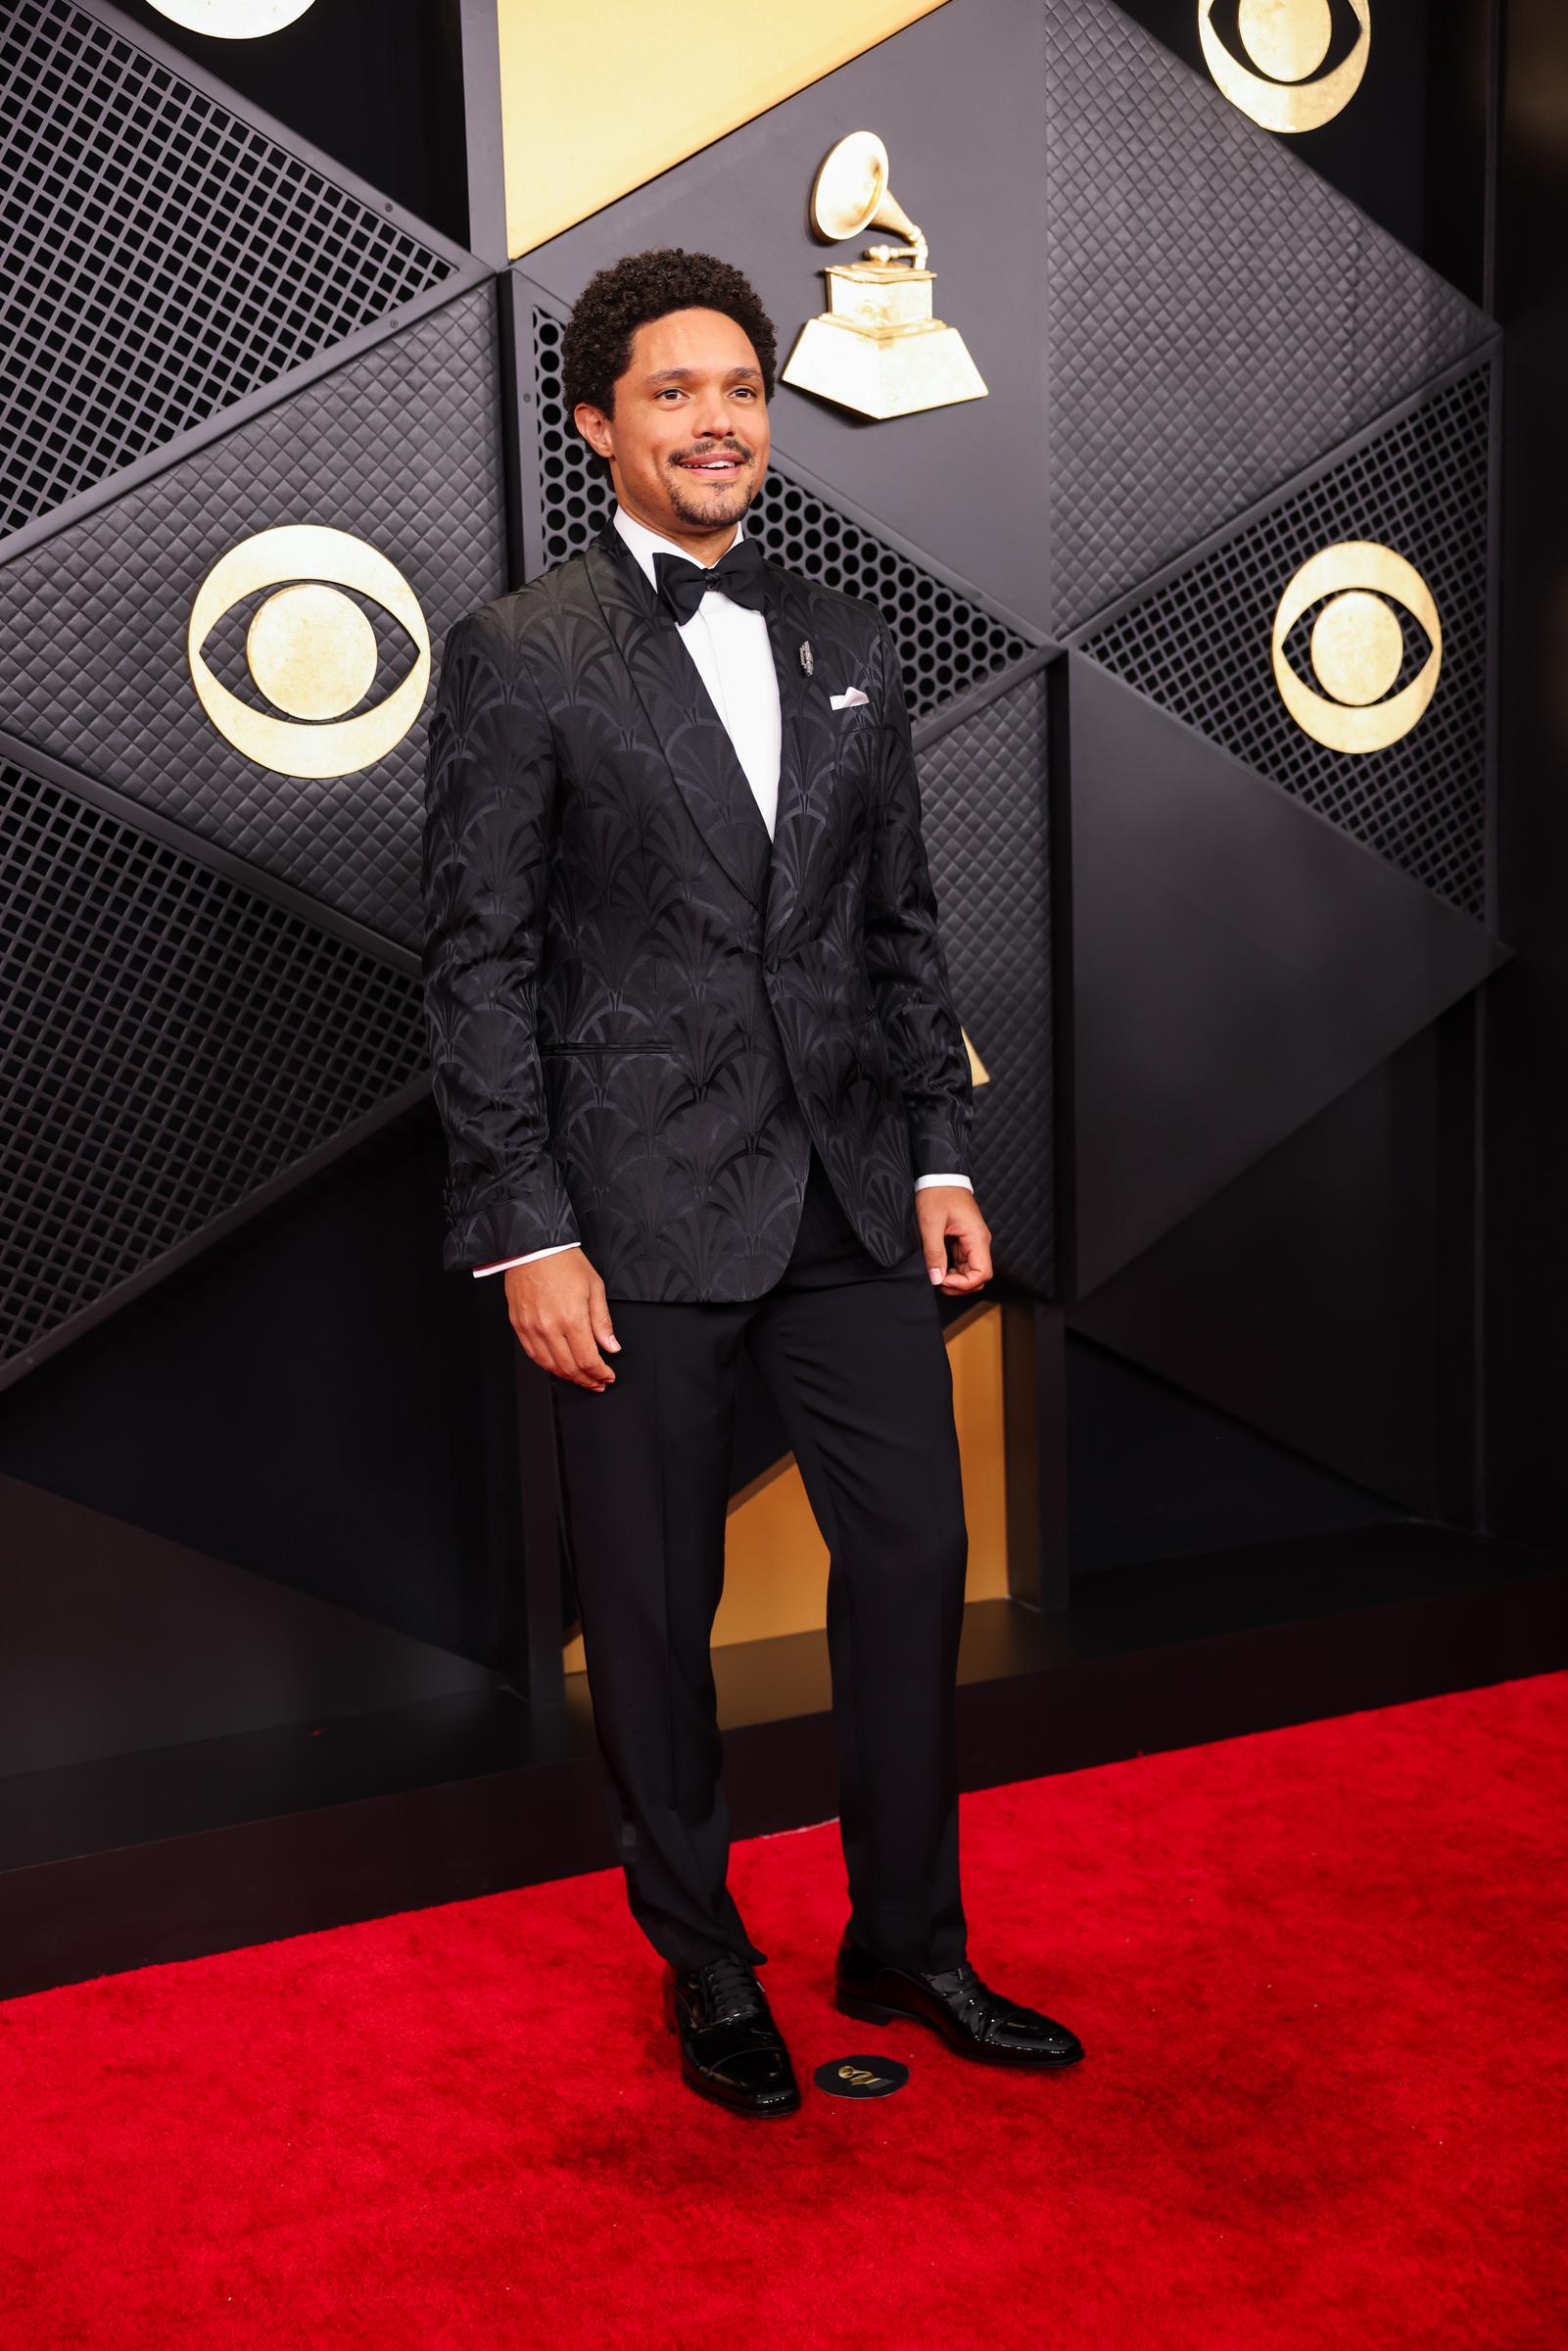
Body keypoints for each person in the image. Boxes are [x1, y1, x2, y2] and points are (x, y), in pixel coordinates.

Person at [421, 247, 1084, 2117]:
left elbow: (902, 930)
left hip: (853, 1200)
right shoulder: (521, 651)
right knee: (649, 1609)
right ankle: (707, 1966)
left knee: (911, 1558)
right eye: (670, 392)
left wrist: (942, 1154)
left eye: (738, 389)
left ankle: (908, 1941)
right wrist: (526, 1231)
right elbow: (477, 964)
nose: (715, 420)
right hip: (625, 1222)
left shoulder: (846, 639)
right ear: (594, 423)